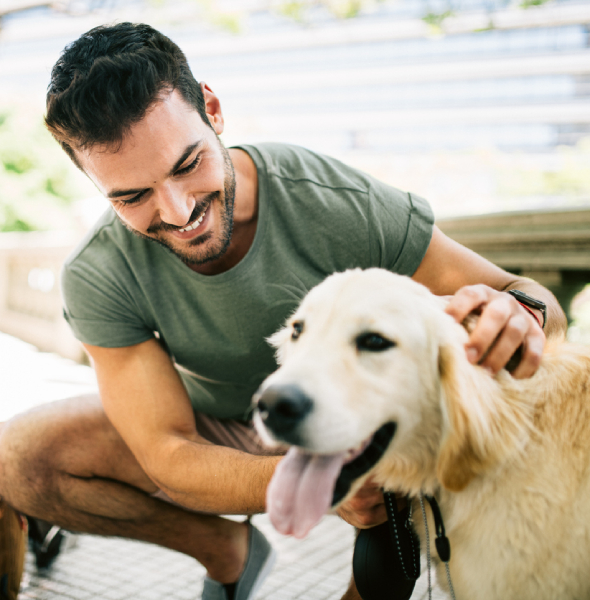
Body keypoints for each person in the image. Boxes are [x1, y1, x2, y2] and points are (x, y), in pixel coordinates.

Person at [0, 22, 566, 600]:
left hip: (359, 418)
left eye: (187, 164)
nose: (176, 211)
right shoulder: (98, 272)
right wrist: (316, 481)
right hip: (222, 424)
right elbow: (167, 451)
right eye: (131, 196)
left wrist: (519, 312)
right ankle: (226, 551)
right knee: (17, 460)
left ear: (213, 110)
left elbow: (532, 297)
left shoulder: (336, 201)